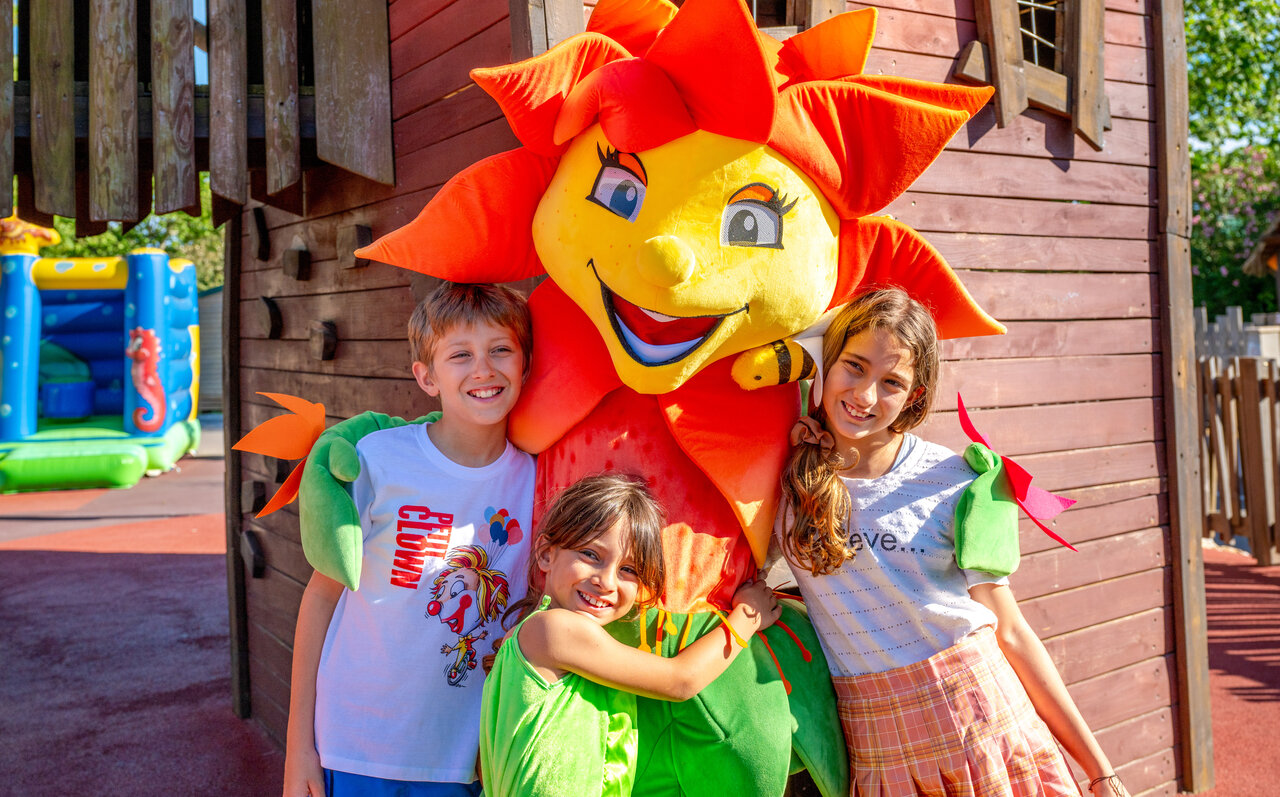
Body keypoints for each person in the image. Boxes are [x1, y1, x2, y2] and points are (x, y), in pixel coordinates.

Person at [777, 288, 1129, 797]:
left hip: (983, 722)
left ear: (915, 395)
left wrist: (1099, 770)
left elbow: (1009, 630)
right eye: (853, 367)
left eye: (891, 382)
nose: (865, 396)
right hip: (877, 742)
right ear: (826, 364)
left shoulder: (954, 480)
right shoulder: (786, 479)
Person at [283, 282, 536, 797]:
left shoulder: (538, 481)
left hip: (466, 759)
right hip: (355, 744)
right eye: (460, 355)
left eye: (501, 350)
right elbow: (321, 597)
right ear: (426, 376)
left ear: (526, 366)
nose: (484, 369)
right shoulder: (378, 459)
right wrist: (298, 748)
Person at [480, 473, 782, 797]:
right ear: (546, 554)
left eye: (629, 570)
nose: (606, 581)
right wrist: (746, 619)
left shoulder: (530, 637)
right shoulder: (553, 629)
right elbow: (678, 681)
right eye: (591, 555)